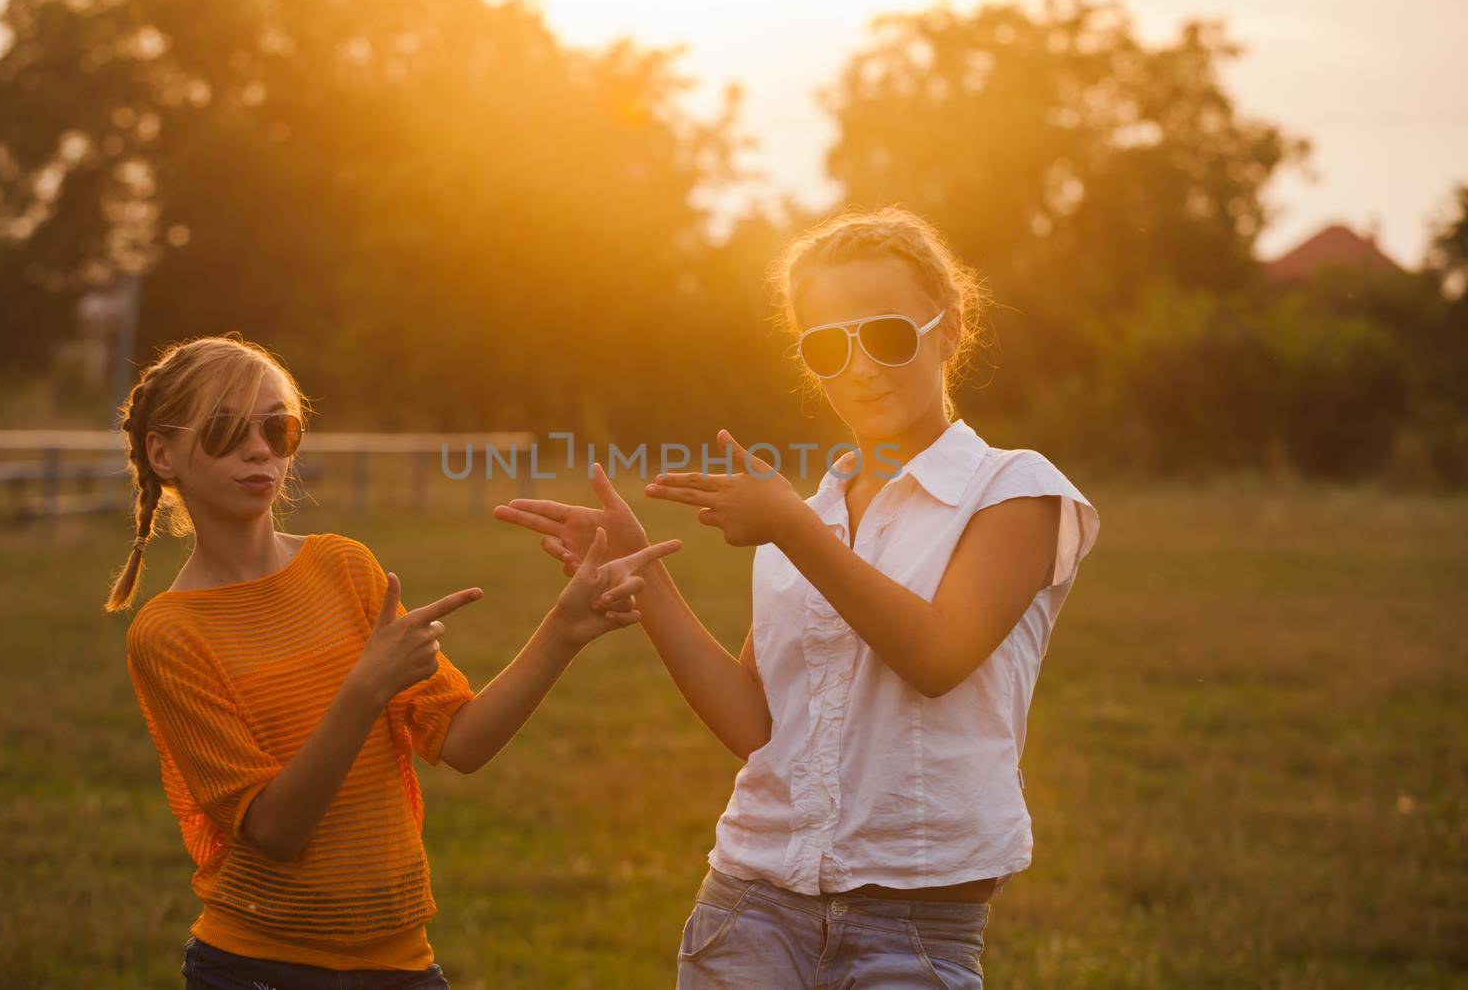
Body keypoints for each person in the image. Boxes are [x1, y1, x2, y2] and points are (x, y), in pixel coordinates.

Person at [495, 207, 1099, 988]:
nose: (859, 367)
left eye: (885, 334)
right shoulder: (806, 517)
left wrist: (788, 527)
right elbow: (755, 722)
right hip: (748, 904)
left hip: (913, 930)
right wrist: (644, 575)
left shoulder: (1014, 491)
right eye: (826, 345)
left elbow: (939, 655)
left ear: (948, 331)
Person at [106, 333, 678, 989]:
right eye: (226, 428)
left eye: (277, 427)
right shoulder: (167, 633)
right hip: (257, 968)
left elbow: (462, 741)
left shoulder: (344, 566)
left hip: (401, 962)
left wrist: (565, 630)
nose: (259, 447)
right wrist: (364, 690)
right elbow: (273, 829)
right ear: (163, 450)